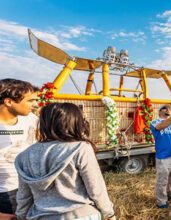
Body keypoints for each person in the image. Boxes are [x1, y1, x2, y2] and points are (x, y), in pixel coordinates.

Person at [14, 103, 116, 220]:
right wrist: (109, 213)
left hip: (42, 216)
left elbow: (24, 196)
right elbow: (96, 189)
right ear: (75, 122)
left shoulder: (24, 156)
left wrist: (21, 216)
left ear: (43, 123)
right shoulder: (80, 148)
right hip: (81, 214)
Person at [0, 79, 38, 216]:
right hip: (4, 193)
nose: (35, 104)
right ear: (9, 102)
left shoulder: (31, 119)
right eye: (30, 100)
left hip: (29, 188)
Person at [150, 104, 171, 209]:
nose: (169, 110)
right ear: (161, 111)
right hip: (163, 157)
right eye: (167, 108)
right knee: (162, 180)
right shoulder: (155, 122)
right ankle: (161, 201)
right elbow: (160, 127)